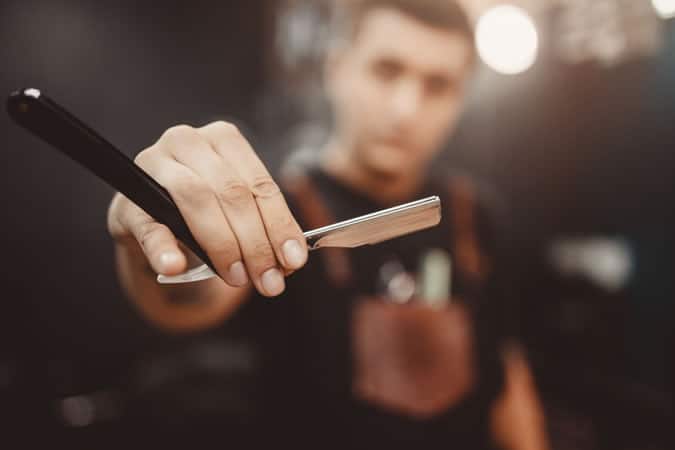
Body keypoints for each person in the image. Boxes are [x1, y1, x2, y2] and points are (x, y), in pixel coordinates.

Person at [107, 1, 549, 448]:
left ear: (461, 98)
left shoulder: (477, 217)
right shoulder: (277, 210)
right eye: (386, 70)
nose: (405, 108)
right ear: (337, 69)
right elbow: (186, 300)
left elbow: (507, 374)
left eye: (437, 86)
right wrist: (162, 244)